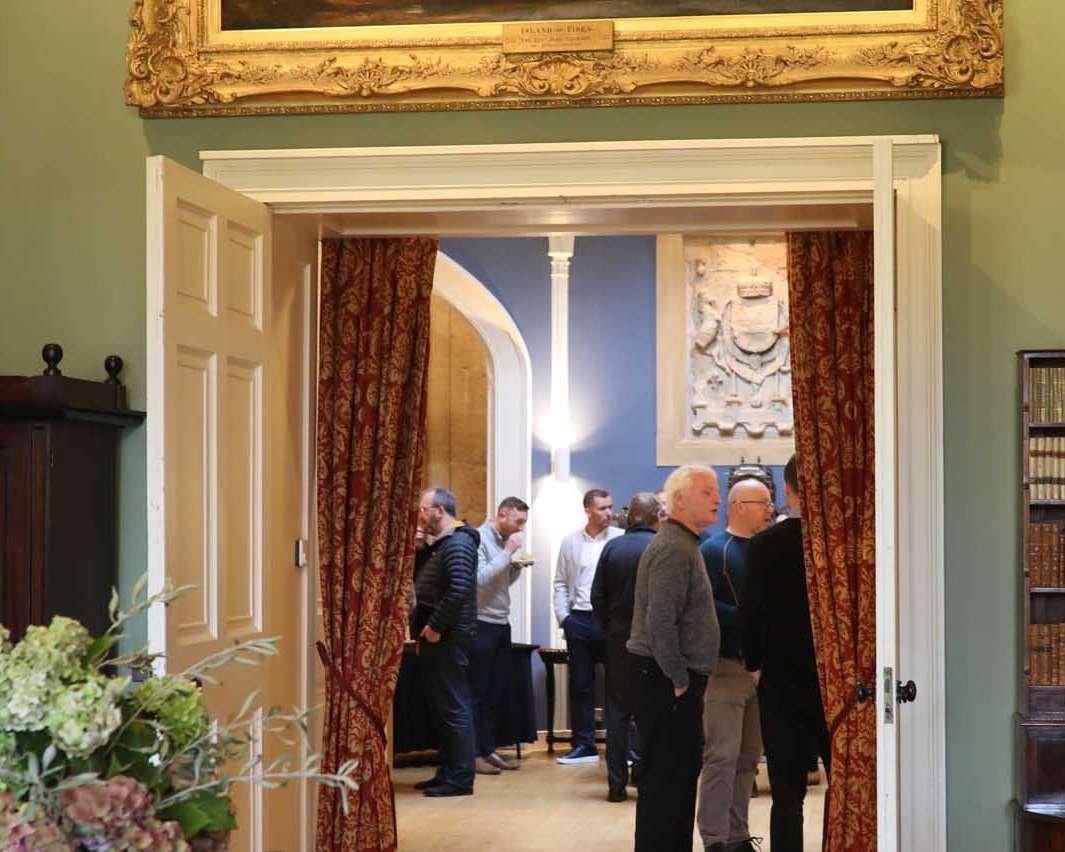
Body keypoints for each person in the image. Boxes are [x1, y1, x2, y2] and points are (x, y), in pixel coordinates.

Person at [627, 466, 721, 852]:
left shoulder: (682, 543)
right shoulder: (672, 548)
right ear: (679, 499)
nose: (717, 499)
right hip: (666, 681)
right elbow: (660, 621)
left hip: (669, 679)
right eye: (707, 492)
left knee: (678, 779)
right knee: (667, 782)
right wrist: (679, 677)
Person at [739, 456, 830, 852]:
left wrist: (754, 664)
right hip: (836, 683)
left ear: (788, 490)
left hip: (780, 683)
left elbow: (750, 614)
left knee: (787, 796)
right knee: (846, 790)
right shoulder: (840, 541)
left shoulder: (763, 546)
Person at [697, 478, 774, 852]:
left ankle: (738, 834)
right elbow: (705, 607)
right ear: (738, 505)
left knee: (747, 760)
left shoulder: (763, 549)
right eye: (762, 502)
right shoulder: (714, 550)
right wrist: (750, 617)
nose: (769, 509)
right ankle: (714, 837)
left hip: (758, 669)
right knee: (721, 757)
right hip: (725, 667)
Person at [590, 492, 661, 802]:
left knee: (617, 713)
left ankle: (616, 785)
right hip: (655, 639)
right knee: (650, 712)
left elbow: (597, 597)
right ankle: (646, 780)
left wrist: (609, 627)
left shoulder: (612, 547)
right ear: (656, 516)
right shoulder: (661, 547)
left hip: (618, 637)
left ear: (630, 516)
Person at [411, 487, 480, 797]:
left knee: (454, 708)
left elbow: (459, 588)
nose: (420, 515)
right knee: (444, 708)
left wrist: (436, 626)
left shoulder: (459, 543)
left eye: (424, 509)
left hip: (448, 637)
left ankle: (460, 778)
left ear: (439, 511)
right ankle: (448, 771)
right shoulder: (443, 544)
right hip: (439, 636)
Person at [552, 488, 623, 764]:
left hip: (609, 620)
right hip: (579, 619)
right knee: (580, 685)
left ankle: (620, 746)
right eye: (603, 508)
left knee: (617, 684)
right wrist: (564, 617)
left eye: (610, 507)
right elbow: (560, 581)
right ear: (588, 510)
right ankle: (584, 745)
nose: (609, 513)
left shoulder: (619, 538)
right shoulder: (570, 542)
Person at [471, 496, 530, 775]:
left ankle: (488, 748)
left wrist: (514, 568)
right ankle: (474, 754)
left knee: (495, 692)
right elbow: (478, 579)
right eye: (518, 522)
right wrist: (507, 553)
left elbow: (500, 582)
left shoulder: (504, 542)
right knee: (478, 692)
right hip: (480, 623)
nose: (520, 529)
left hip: (500, 623)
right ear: (502, 514)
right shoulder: (479, 538)